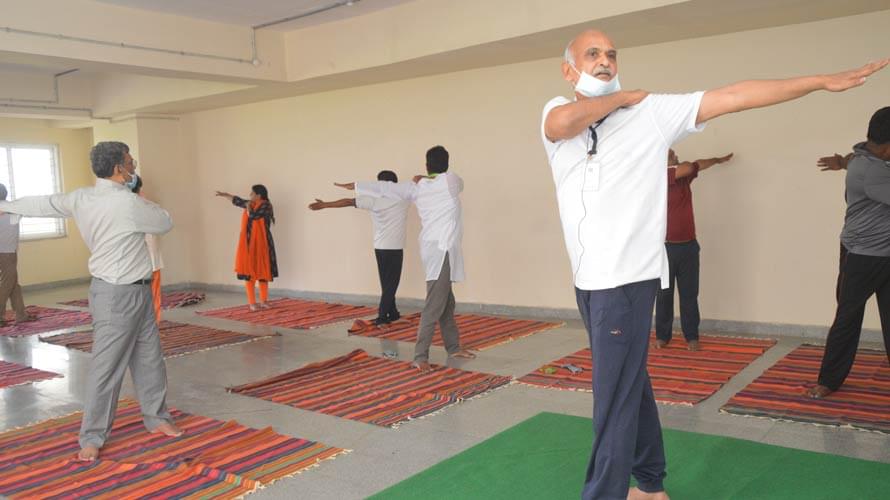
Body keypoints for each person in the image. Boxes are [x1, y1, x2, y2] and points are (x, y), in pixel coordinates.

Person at [541, 29, 886, 500]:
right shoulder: (558, 112)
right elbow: (562, 124)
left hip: (625, 281)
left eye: (612, 55)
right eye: (593, 54)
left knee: (613, 398)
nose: (605, 61)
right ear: (569, 69)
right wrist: (621, 96)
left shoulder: (652, 115)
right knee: (629, 383)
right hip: (588, 280)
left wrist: (821, 81)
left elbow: (735, 95)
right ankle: (650, 484)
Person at [0, 141, 181, 461]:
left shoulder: (81, 197)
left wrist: (9, 206)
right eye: (130, 162)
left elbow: (44, 203)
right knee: (106, 368)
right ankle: (92, 437)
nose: (134, 166)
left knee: (150, 359)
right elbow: (165, 221)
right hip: (116, 294)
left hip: (136, 290)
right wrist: (137, 194)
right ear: (118, 169)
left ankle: (157, 418)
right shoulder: (127, 204)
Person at [336, 146, 476, 371]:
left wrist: (356, 185)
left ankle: (453, 347)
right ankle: (420, 357)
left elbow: (387, 188)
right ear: (446, 164)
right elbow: (456, 182)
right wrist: (426, 178)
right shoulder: (450, 182)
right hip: (442, 251)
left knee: (447, 303)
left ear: (427, 165)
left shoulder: (416, 189)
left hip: (434, 249)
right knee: (434, 304)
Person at [808, 107, 890, 399]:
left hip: (885, 253)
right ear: (886, 148)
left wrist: (841, 161)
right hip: (862, 256)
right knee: (847, 317)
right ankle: (828, 380)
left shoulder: (863, 157)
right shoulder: (874, 172)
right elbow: (865, 169)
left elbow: (853, 158)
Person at [654, 150, 733, 351]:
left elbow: (695, 165)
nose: (676, 156)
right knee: (664, 295)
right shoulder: (655, 178)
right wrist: (678, 166)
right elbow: (689, 166)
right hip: (665, 248)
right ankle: (663, 336)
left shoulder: (682, 179)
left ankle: (692, 337)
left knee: (690, 294)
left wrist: (716, 159)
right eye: (672, 155)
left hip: (689, 246)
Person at [309, 170, 410, 325]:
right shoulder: (403, 198)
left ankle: (393, 312)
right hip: (394, 248)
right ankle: (383, 317)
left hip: (380, 247)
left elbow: (348, 202)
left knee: (386, 282)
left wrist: (325, 205)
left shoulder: (373, 200)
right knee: (391, 283)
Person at [215, 185, 278, 311]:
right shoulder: (250, 204)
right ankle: (252, 303)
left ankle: (264, 301)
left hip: (263, 243)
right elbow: (237, 201)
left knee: (263, 272)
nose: (250, 195)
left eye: (252, 193)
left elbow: (254, 216)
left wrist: (248, 206)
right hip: (249, 243)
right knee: (249, 272)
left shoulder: (266, 205)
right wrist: (226, 194)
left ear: (258, 195)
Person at [0, 183, 36, 327]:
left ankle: (21, 314)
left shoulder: (10, 208)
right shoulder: (13, 209)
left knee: (13, 282)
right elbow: (30, 209)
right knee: (8, 283)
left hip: (5, 251)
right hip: (7, 253)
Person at [132, 177, 164, 324]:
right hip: (149, 260)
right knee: (153, 294)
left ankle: (144, 324)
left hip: (134, 262)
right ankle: (153, 324)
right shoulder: (152, 206)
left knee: (137, 296)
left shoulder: (123, 208)